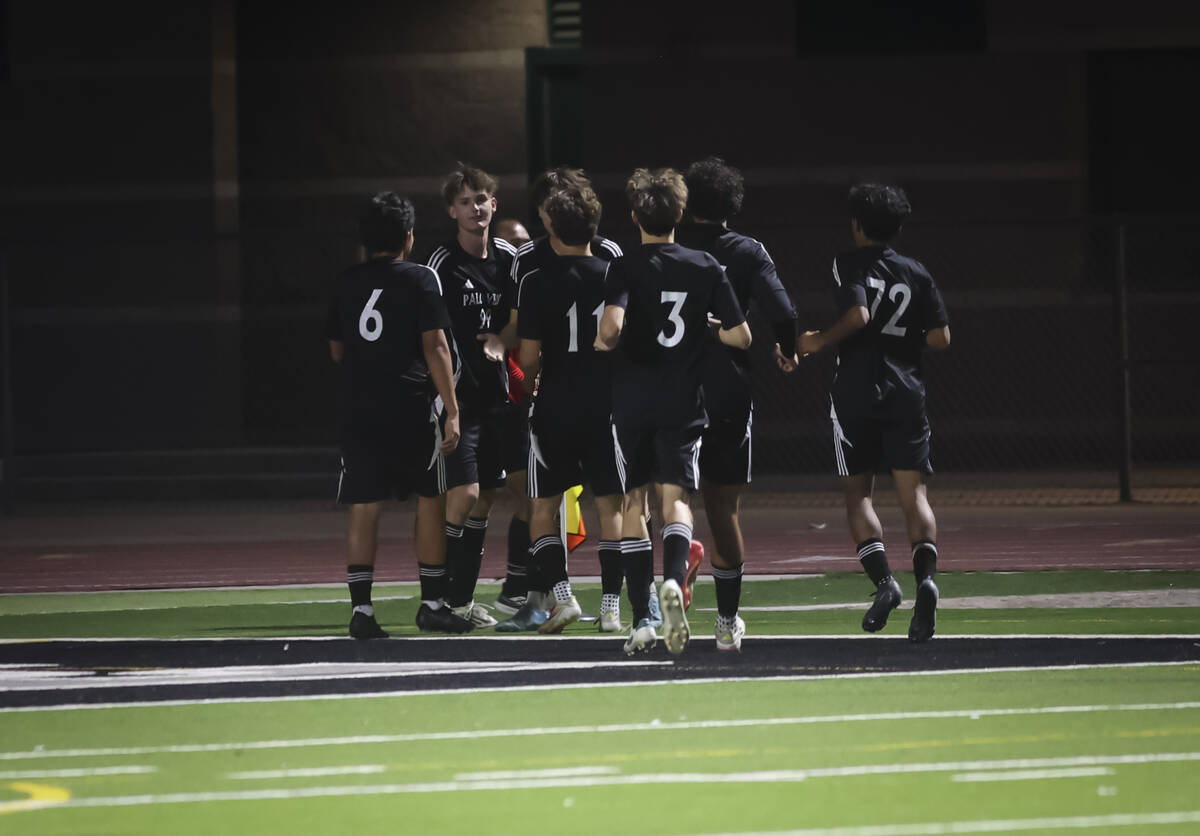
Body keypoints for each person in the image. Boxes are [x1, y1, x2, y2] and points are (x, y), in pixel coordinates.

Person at [595, 168, 751, 656]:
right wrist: (705, 329)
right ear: (680, 213)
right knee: (676, 502)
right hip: (683, 401)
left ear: (635, 215)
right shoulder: (705, 265)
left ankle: (641, 619)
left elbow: (612, 329)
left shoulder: (623, 266)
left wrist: (604, 340)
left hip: (632, 402)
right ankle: (674, 583)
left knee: (631, 505)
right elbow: (741, 336)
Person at [798, 183, 950, 643]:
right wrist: (904, 343)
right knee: (914, 497)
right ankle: (926, 577)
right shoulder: (917, 271)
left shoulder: (848, 262)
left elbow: (859, 316)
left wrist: (818, 341)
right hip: (907, 391)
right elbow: (942, 337)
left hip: (857, 391)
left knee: (858, 495)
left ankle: (885, 582)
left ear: (858, 225)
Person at [325, 192, 470, 638]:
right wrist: (451, 408)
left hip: (359, 409)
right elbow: (437, 346)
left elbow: (336, 350)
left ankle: (362, 611)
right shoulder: (420, 278)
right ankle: (431, 603)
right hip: (409, 407)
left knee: (364, 507)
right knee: (430, 499)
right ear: (409, 236)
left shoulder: (346, 281)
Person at [496, 167, 629, 633]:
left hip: (554, 404)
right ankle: (612, 607)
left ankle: (564, 598)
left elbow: (528, 356)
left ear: (549, 222)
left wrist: (527, 382)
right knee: (613, 506)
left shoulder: (535, 279)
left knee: (541, 506)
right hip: (608, 404)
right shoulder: (615, 268)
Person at [677, 156, 800, 652]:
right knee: (723, 506)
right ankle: (727, 623)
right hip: (726, 387)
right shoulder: (747, 251)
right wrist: (787, 348)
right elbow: (784, 311)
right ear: (733, 204)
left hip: (669, 386)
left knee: (661, 498)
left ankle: (663, 579)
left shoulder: (665, 245)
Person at [424, 163, 519, 628]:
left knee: (485, 500)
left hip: (497, 398)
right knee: (464, 495)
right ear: (451, 210)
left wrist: (506, 341)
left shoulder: (507, 258)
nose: (474, 207)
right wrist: (446, 404)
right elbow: (431, 338)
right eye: (465, 201)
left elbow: (523, 315)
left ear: (493, 204)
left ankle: (460, 601)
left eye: (481, 199)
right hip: (458, 400)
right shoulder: (440, 265)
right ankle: (435, 597)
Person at [490, 217, 537, 618]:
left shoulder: (531, 284)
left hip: (527, 402)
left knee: (537, 496)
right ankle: (514, 586)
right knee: (515, 496)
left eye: (524, 242)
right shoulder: (491, 291)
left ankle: (522, 585)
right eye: (511, 243)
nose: (518, 249)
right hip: (498, 403)